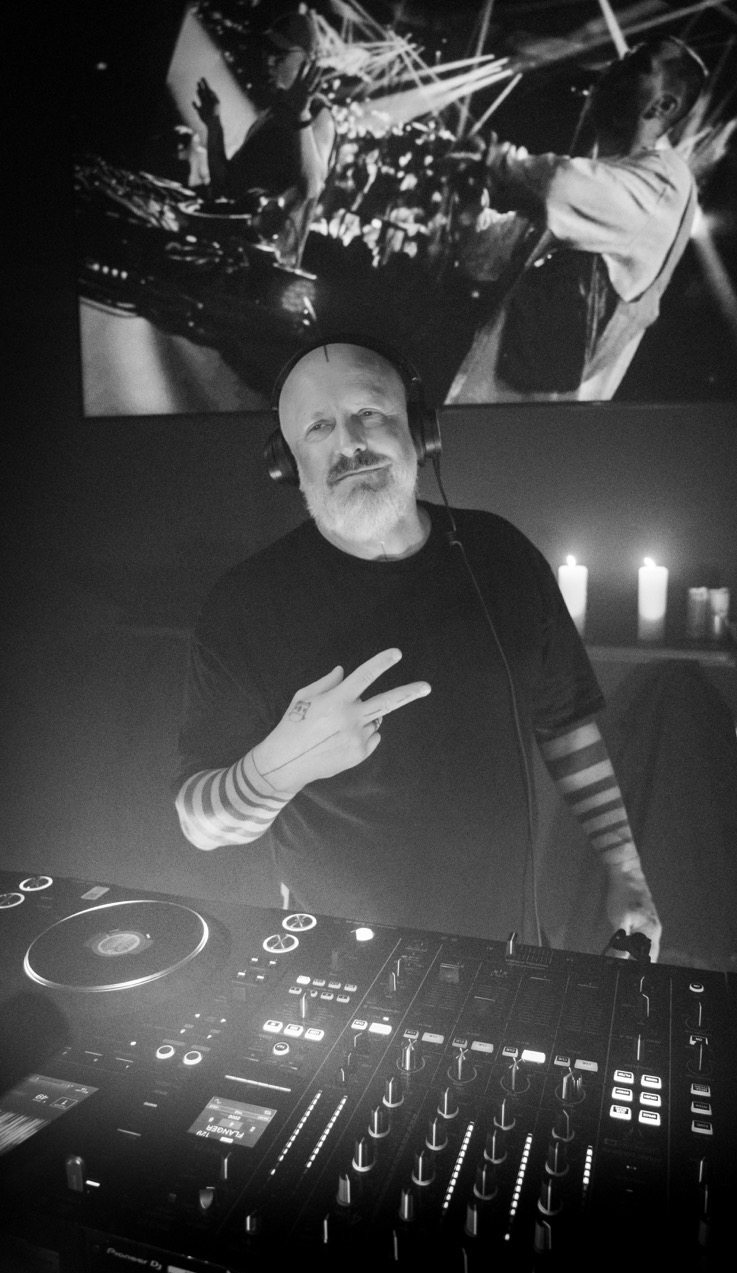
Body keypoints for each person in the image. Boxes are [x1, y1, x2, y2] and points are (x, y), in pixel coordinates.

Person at [173, 338, 661, 957]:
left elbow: (566, 725)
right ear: (289, 463)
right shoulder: (245, 603)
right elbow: (198, 824)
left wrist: (626, 872)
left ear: (420, 432)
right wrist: (282, 765)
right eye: (318, 427)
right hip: (338, 964)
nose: (350, 442)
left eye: (369, 412)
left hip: (508, 946)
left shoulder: (501, 554)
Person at [445, 36, 708, 404]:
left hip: (535, 430)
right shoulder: (594, 195)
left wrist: (496, 161)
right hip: (480, 406)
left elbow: (559, 187)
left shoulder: (667, 181)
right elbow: (482, 256)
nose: (614, 67)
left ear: (662, 104)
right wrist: (471, 194)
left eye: (637, 65)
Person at [193, 9, 335, 268]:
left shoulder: (319, 115)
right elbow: (225, 187)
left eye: (280, 55)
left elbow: (312, 187)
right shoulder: (270, 114)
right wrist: (214, 127)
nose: (269, 61)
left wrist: (301, 114)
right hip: (233, 254)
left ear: (308, 61)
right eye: (269, 52)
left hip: (267, 267)